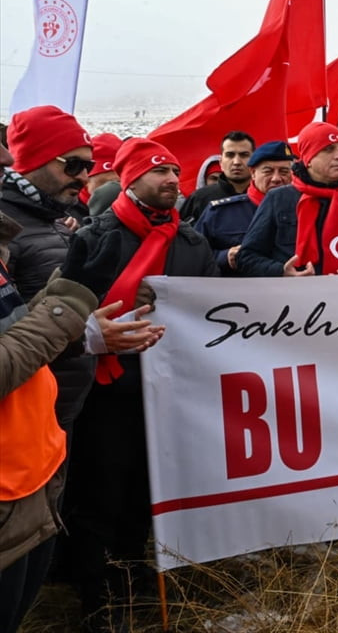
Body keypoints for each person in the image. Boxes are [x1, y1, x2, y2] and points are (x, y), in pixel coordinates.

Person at [61, 138, 219, 630]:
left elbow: (212, 308)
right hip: (107, 391)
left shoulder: (192, 242)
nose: (173, 180)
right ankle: (97, 598)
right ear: (130, 180)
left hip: (167, 391)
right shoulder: (96, 238)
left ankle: (131, 579)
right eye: (158, 172)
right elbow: (66, 308)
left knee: (143, 492)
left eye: (175, 171)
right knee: (99, 492)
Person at [0, 139, 101, 633]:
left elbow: (13, 323)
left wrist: (68, 293)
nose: (5, 164)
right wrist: (68, 308)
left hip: (34, 463)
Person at [0, 106, 95, 439]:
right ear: (32, 161)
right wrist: (88, 336)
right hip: (19, 426)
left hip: (59, 411)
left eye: (89, 166)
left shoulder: (59, 221)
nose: (84, 177)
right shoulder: (7, 227)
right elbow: (12, 333)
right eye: (73, 165)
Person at [239, 123, 338, 277]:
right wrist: (281, 271)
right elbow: (246, 257)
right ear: (308, 159)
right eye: (328, 149)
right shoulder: (278, 199)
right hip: (290, 297)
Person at [194, 141, 295, 275]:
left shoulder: (303, 208)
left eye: (284, 171)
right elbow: (192, 256)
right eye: (268, 171)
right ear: (253, 173)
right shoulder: (220, 212)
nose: (276, 178)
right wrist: (224, 257)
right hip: (237, 293)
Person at [178, 130, 255, 223]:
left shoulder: (267, 198)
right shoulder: (199, 198)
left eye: (244, 155)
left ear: (254, 161)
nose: (237, 162)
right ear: (221, 162)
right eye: (230, 155)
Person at [79, 132, 121, 208]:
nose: (111, 189)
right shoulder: (63, 212)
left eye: (118, 183)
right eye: (104, 184)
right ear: (85, 182)